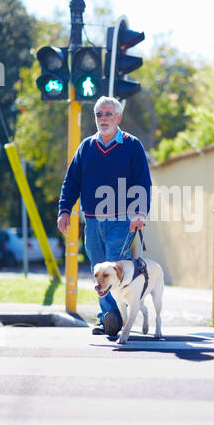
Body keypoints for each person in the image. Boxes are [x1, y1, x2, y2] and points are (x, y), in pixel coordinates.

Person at [57, 96, 152, 335]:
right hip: (91, 221)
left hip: (122, 221)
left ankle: (116, 318)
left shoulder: (132, 145)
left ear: (118, 117)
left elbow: (143, 182)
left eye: (108, 114)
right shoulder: (87, 147)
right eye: (99, 114)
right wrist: (64, 210)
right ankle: (108, 318)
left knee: (113, 268)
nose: (103, 119)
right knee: (99, 270)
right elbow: (71, 182)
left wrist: (140, 212)